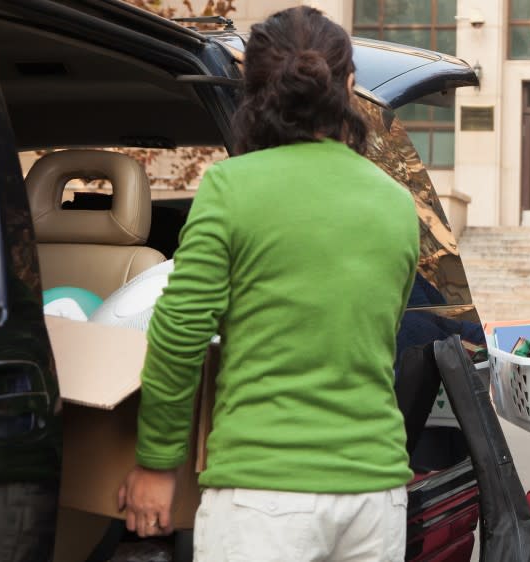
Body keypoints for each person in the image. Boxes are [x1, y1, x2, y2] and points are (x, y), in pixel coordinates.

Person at [118, 7, 418, 561]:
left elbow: (180, 334)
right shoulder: (398, 204)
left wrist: (157, 464)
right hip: (377, 497)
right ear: (349, 86)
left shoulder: (232, 188)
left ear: (252, 90)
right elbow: (377, 333)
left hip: (264, 495)